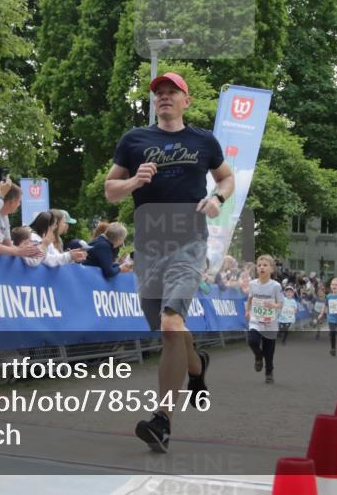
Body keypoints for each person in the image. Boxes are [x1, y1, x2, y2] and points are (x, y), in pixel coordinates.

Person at [106, 71, 234, 453]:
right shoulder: (134, 140)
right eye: (158, 93)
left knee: (171, 322)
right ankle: (196, 367)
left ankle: (162, 420)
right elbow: (110, 190)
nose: (163, 97)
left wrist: (217, 200)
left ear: (186, 100)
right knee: (166, 330)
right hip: (149, 246)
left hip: (188, 241)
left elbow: (226, 179)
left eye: (171, 92)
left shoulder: (203, 141)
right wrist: (132, 183)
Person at [246, 254, 284, 383]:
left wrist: (273, 305)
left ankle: (269, 371)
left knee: (269, 351)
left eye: (265, 265)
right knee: (252, 341)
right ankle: (258, 356)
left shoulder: (276, 286)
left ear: (272, 269)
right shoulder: (252, 284)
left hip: (270, 322)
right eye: (259, 265)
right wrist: (247, 310)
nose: (262, 267)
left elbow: (281, 303)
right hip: (256, 319)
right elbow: (250, 298)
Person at [22, 211, 87, 267]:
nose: (54, 229)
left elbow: (56, 257)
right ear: (47, 226)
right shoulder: (32, 237)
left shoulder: (46, 240)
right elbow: (37, 261)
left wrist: (72, 256)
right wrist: (69, 256)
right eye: (53, 226)